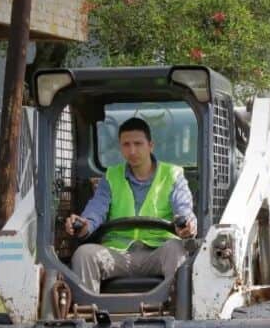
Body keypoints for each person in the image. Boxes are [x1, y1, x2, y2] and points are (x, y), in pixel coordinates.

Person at [65, 117, 197, 294]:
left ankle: (177, 306)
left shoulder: (172, 175)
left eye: (138, 144)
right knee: (84, 254)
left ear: (150, 145)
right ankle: (88, 309)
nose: (132, 150)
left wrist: (186, 224)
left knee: (177, 249)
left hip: (158, 252)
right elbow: (96, 209)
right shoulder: (111, 176)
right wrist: (84, 224)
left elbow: (183, 207)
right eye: (126, 145)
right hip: (118, 254)